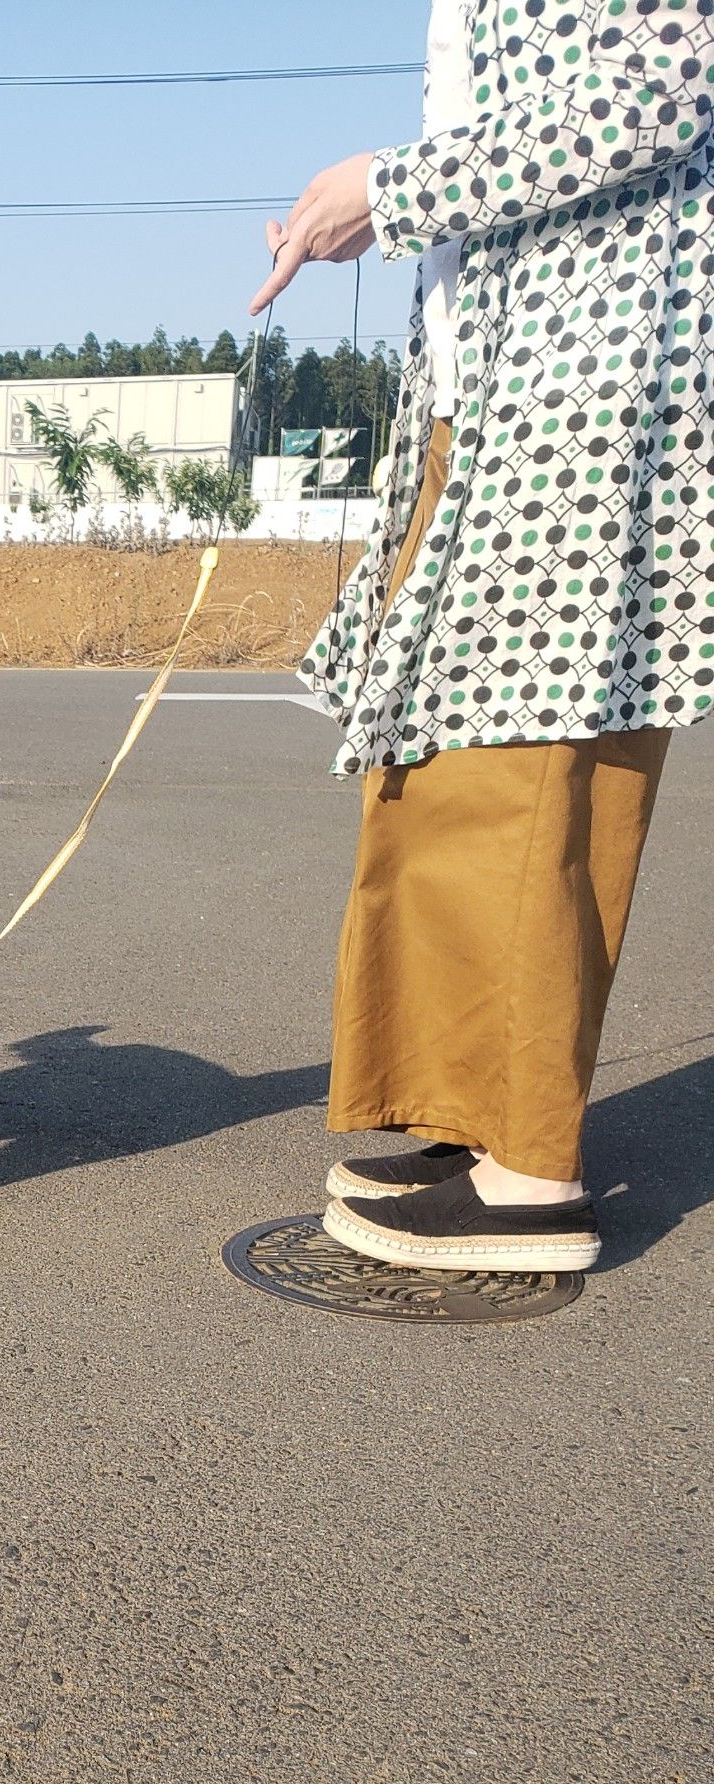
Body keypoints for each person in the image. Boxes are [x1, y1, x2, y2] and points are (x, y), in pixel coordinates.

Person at [254, 0, 714, 1274]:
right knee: (453, 763)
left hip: (589, 375)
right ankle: (484, 1117)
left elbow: (657, 92)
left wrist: (392, 191)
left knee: (524, 768)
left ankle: (531, 1181)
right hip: (509, 373)